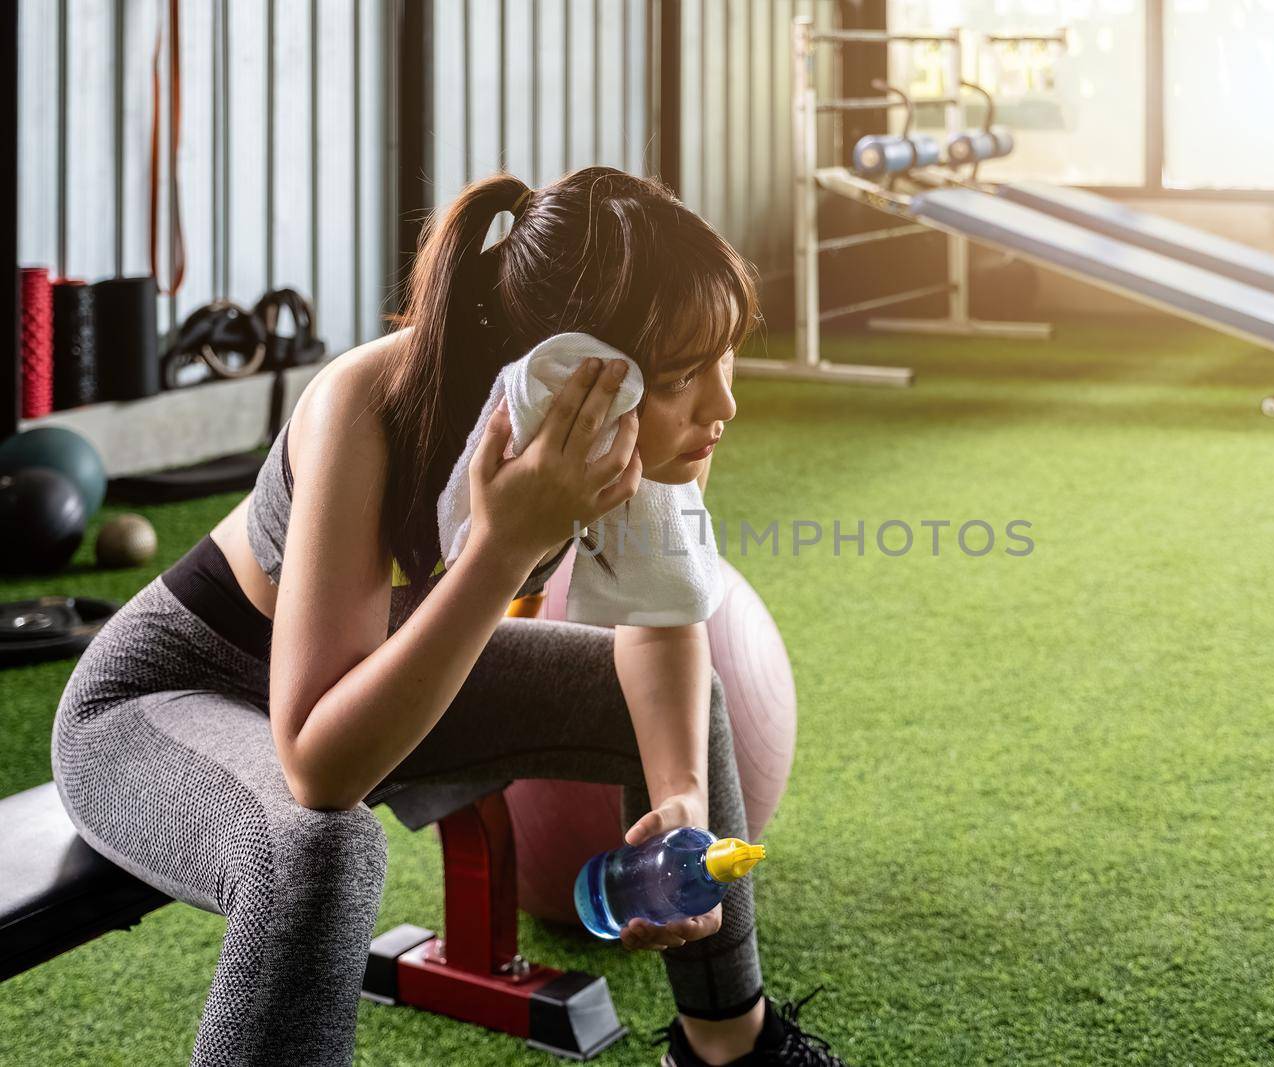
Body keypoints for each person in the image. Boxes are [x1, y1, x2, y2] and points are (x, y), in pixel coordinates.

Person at [51, 167, 850, 1067]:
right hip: (167, 699)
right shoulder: (369, 402)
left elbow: (660, 621)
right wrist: (505, 548)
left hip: (377, 679)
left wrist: (682, 804)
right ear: (572, 372)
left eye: (724, 357)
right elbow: (319, 766)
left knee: (677, 700)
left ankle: (730, 1050)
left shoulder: (635, 431)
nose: (724, 405)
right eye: (685, 375)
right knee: (322, 847)